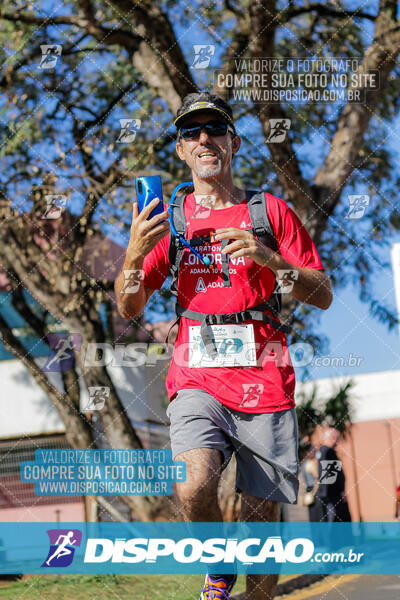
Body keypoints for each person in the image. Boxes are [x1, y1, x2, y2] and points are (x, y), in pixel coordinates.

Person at [115, 91, 333, 600]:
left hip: (265, 378)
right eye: (192, 133)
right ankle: (216, 565)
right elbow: (129, 307)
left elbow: (321, 293)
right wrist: (132, 252)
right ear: (181, 150)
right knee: (193, 483)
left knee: (262, 522)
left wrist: (270, 258)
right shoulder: (168, 222)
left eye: (214, 129)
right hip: (196, 376)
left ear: (233, 141)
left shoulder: (269, 212)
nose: (204, 139)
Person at [314, 428, 352, 523]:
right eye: (337, 438)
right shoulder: (327, 451)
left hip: (331, 496)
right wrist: (340, 491)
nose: (337, 441)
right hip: (332, 497)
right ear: (333, 438)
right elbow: (328, 476)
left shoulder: (324, 451)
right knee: (335, 522)